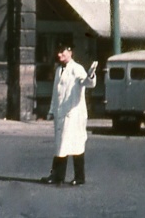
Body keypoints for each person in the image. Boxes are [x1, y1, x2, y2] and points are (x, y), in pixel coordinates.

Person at [42, 43, 97, 186]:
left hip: (73, 113)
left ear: (70, 51)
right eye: (58, 52)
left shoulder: (77, 68)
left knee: (71, 144)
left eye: (62, 52)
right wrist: (51, 110)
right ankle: (64, 176)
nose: (59, 55)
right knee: (62, 144)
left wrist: (91, 74)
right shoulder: (59, 69)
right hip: (61, 113)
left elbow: (87, 82)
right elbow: (56, 92)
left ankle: (69, 177)